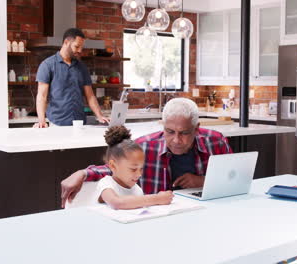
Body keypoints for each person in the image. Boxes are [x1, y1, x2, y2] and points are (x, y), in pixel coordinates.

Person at [61, 98, 233, 208]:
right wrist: (83, 173)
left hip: (204, 212)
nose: (176, 140)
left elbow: (233, 178)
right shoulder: (146, 146)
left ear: (196, 129)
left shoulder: (216, 142)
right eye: (170, 131)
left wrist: (202, 181)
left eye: (185, 133)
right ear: (163, 126)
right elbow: (115, 169)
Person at [34, 28, 109, 128]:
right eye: (76, 47)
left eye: (81, 48)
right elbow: (42, 96)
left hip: (79, 123)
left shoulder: (82, 67)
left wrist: (100, 115)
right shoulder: (47, 65)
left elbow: (90, 96)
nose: (79, 51)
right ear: (66, 42)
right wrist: (41, 120)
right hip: (57, 124)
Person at [94, 125, 173, 209]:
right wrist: (157, 198)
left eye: (141, 169)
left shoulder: (137, 189)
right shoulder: (106, 184)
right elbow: (117, 203)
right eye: (133, 169)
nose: (139, 174)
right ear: (113, 165)